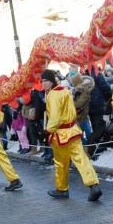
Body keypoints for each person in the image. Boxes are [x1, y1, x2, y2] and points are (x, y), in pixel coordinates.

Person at [43, 70, 102, 201]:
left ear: (52, 81)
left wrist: (47, 131)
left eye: (45, 80)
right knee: (81, 159)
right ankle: (93, 185)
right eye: (42, 81)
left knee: (61, 163)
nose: (43, 83)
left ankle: (62, 189)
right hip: (73, 131)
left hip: (61, 134)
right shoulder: (64, 91)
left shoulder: (53, 95)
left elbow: (55, 117)